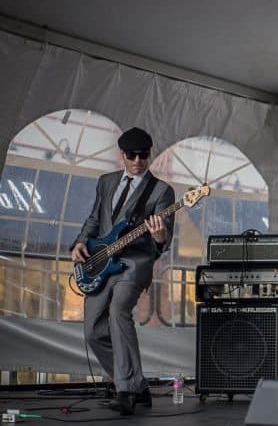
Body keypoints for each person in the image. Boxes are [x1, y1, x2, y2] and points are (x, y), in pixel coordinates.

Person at [71, 127, 175, 415]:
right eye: (132, 155)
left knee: (118, 311)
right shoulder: (106, 182)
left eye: (144, 155)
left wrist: (158, 236)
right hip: (101, 261)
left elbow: (164, 241)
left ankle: (126, 390)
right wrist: (80, 242)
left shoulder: (162, 191)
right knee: (93, 331)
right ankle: (137, 383)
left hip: (134, 264)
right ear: (122, 155)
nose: (139, 161)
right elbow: (95, 219)